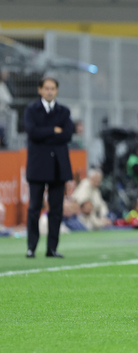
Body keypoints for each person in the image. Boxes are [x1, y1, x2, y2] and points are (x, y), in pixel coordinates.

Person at [24, 77, 74, 259]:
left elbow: (67, 134)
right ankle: (31, 247)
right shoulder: (31, 110)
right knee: (34, 208)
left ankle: (51, 248)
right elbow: (32, 132)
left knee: (56, 209)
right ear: (40, 90)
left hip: (58, 166)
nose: (50, 91)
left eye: (53, 88)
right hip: (38, 166)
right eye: (46, 88)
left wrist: (44, 133)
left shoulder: (64, 111)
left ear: (57, 90)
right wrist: (54, 130)